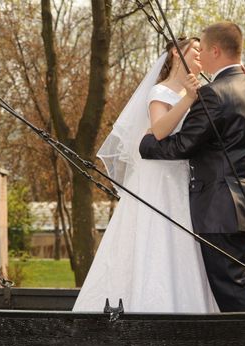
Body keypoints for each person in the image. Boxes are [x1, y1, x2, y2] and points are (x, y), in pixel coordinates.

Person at [73, 37, 218, 313]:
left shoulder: (202, 92)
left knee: (182, 243)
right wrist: (188, 98)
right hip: (157, 179)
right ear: (177, 52)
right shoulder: (160, 92)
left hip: (182, 177)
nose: (201, 55)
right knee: (154, 238)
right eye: (196, 50)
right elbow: (160, 130)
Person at [139, 22, 245, 312]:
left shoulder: (214, 93)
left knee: (233, 290)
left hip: (220, 208)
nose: (202, 58)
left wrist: (147, 145)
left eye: (205, 50)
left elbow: (184, 144)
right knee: (243, 281)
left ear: (215, 50)